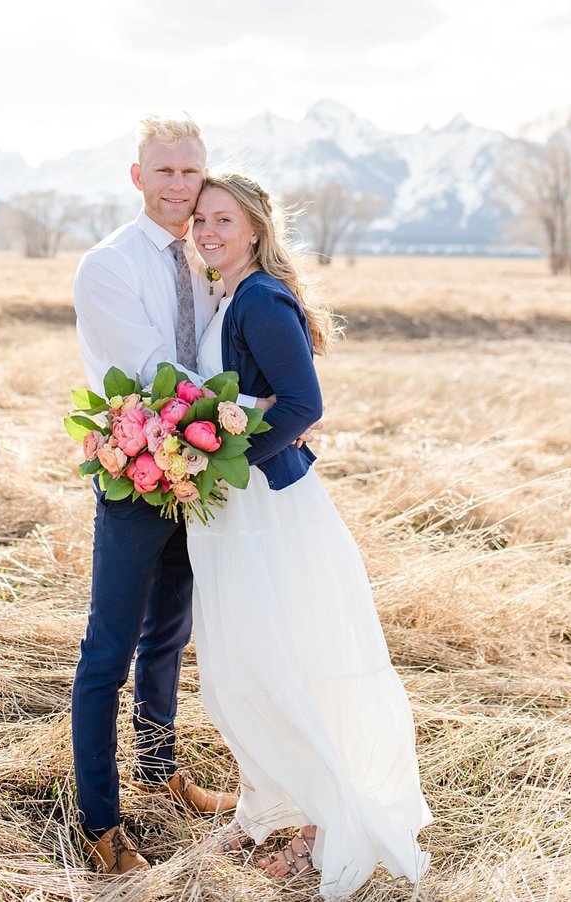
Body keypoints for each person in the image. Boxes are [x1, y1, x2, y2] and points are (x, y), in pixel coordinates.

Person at [188, 172, 432, 899]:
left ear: (256, 228)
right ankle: (270, 803)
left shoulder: (260, 296)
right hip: (234, 508)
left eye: (223, 220)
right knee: (243, 662)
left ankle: (321, 821)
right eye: (200, 220)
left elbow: (303, 404)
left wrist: (228, 461)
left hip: (269, 509)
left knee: (282, 658)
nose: (208, 232)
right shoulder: (229, 293)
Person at [71, 117, 274, 876]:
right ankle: (100, 821)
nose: (180, 186)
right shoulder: (109, 266)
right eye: (165, 173)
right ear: (137, 177)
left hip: (194, 474)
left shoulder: (203, 257)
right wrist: (264, 410)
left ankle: (159, 771)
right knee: (109, 647)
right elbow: (159, 376)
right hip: (134, 476)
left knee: (168, 636)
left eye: (192, 172)